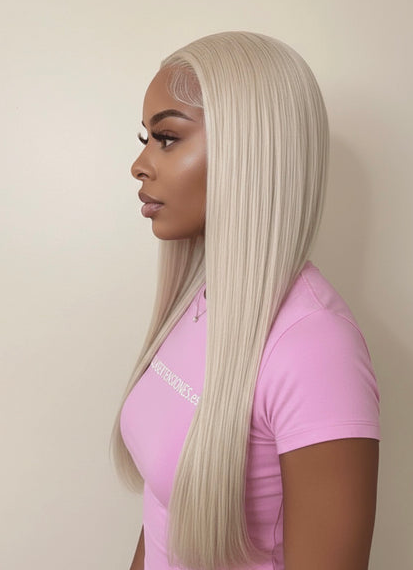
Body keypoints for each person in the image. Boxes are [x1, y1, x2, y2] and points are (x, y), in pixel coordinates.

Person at [110, 31, 380, 570]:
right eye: (146, 138)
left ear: (249, 150)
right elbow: (163, 512)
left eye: (167, 138)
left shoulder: (314, 348)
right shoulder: (197, 299)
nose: (139, 164)